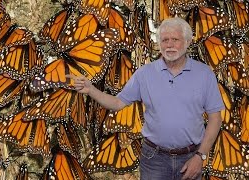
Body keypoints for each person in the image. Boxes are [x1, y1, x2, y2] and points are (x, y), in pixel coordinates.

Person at [66, 17, 224, 180]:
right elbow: (117, 103)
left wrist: (200, 156)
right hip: (154, 160)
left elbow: (215, 119)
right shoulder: (144, 74)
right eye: (164, 40)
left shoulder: (204, 74)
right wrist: (91, 89)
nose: (169, 45)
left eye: (175, 39)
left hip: (191, 157)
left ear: (187, 41)